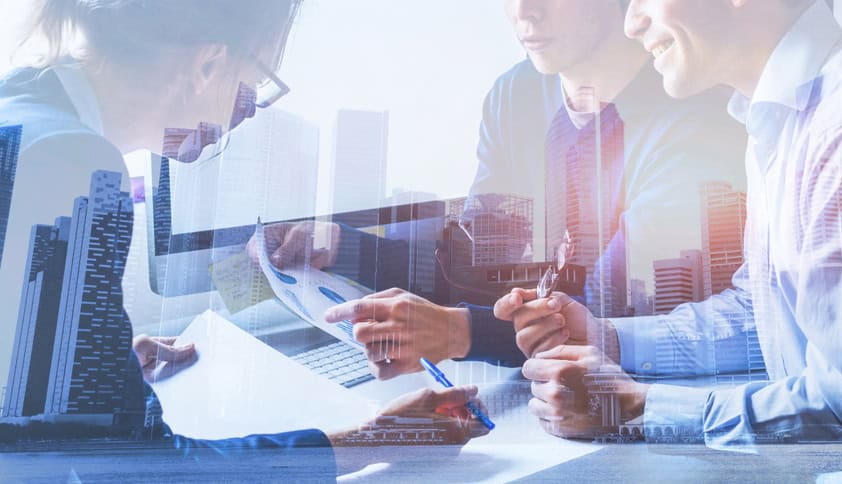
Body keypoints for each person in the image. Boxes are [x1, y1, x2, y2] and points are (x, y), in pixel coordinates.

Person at [0, 0, 489, 475]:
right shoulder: (69, 162)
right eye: (255, 84)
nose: (250, 112)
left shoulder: (21, 113)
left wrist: (96, 373)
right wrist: (380, 437)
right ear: (209, 65)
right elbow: (137, 470)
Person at [504, 0, 842, 447]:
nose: (632, 23)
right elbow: (773, 315)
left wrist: (638, 406)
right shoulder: (788, 119)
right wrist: (609, 338)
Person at [319, 0, 745, 380]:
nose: (523, 11)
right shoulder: (514, 95)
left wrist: (457, 331)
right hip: (547, 375)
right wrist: (342, 249)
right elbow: (477, 263)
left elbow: (607, 311)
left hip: (660, 377)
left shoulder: (695, 113)